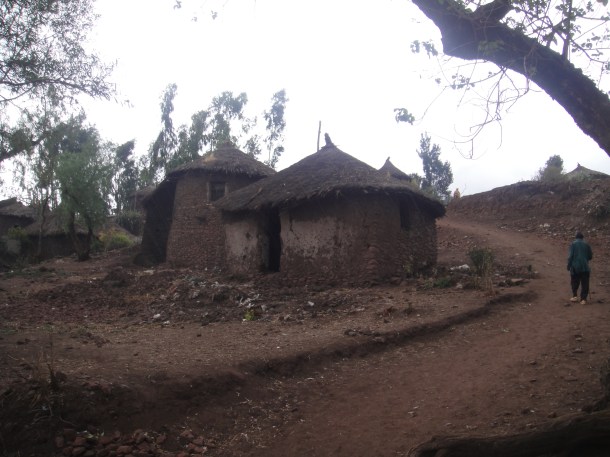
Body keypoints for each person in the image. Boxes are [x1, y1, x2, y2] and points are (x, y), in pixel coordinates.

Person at [567, 231, 593, 305]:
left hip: (575, 267)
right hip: (585, 267)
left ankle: (575, 296)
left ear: (576, 237)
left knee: (574, 281)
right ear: (582, 237)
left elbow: (570, 257)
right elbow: (590, 256)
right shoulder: (587, 244)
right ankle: (583, 299)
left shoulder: (573, 244)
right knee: (585, 283)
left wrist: (568, 265)